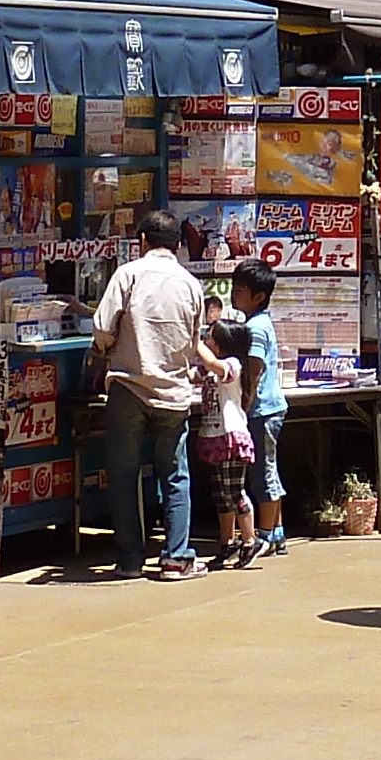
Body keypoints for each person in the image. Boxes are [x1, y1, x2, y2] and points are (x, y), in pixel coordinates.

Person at [90, 208, 209, 578]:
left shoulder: (128, 274)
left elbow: (102, 327)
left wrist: (108, 351)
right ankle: (176, 557)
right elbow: (194, 343)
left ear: (142, 242)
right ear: (177, 245)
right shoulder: (190, 284)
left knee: (123, 476)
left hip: (128, 387)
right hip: (173, 393)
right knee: (175, 476)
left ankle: (129, 559)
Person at [225, 257, 289, 554]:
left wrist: (245, 405)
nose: (233, 294)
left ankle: (265, 535)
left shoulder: (256, 329)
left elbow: (254, 370)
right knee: (266, 471)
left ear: (258, 296)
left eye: (240, 290)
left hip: (262, 410)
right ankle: (275, 532)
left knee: (263, 475)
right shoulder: (254, 324)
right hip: (267, 409)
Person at [192, 312, 264, 567]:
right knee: (220, 495)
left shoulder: (232, 364)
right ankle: (227, 542)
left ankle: (249, 540)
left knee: (234, 491)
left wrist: (193, 340)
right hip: (213, 435)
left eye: (210, 338)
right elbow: (195, 374)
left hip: (231, 435)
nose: (206, 340)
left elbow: (213, 365)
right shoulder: (210, 369)